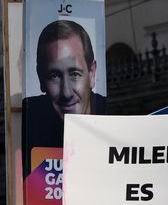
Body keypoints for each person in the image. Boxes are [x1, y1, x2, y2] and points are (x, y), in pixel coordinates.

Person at [22, 20, 107, 152]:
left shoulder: (114, 117)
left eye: (74, 74)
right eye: (54, 76)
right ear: (40, 77)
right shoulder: (29, 119)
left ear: (92, 73)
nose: (66, 93)